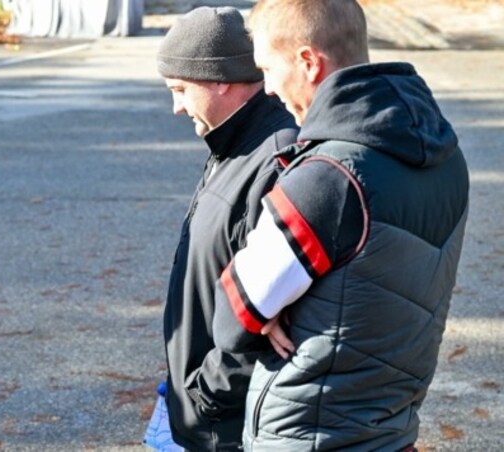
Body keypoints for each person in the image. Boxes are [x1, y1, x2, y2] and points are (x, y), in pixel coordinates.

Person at [210, 0, 469, 450]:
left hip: (312, 432)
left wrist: (270, 310)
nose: (267, 88)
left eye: (268, 69)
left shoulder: (328, 178)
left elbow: (231, 321)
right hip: (392, 427)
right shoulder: (447, 157)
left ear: (308, 62)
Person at [155, 7, 298, 451]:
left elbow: (278, 299)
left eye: (181, 89)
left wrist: (207, 393)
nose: (176, 107)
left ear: (220, 80)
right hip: (199, 412)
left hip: (225, 426)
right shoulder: (230, 141)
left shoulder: (275, 156)